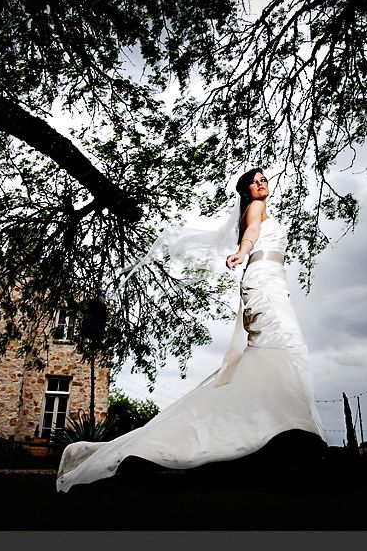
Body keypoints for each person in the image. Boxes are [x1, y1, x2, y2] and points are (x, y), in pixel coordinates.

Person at [56, 168, 327, 491]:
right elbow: (252, 232)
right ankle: (285, 429)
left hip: (269, 282)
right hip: (263, 283)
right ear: (246, 192)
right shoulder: (254, 211)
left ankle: (278, 430)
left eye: (263, 178)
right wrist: (242, 250)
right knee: (285, 350)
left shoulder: (261, 211)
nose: (261, 182)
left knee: (275, 354)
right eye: (254, 181)